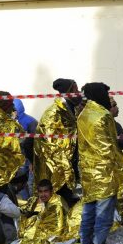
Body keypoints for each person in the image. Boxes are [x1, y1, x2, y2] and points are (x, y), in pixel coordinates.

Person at [78, 83, 122, 244]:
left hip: (88, 172)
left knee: (88, 213)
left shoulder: (83, 115)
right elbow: (110, 146)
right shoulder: (104, 115)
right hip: (104, 173)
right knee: (103, 216)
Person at [32, 78, 81, 207]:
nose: (79, 92)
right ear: (68, 92)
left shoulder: (72, 110)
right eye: (76, 90)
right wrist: (65, 166)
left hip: (71, 166)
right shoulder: (53, 114)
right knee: (61, 205)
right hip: (58, 172)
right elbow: (48, 145)